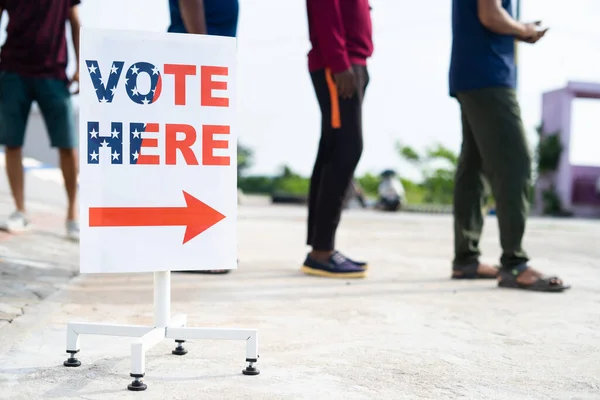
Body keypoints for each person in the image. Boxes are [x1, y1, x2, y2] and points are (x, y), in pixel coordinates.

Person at [449, 0, 569, 291]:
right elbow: (490, 15)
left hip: (473, 72)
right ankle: (514, 265)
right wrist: (524, 29)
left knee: (474, 164)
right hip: (487, 74)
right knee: (515, 161)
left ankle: (466, 260)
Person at [301, 0, 373, 279]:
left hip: (349, 61)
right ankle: (322, 251)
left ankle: (320, 246)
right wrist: (339, 62)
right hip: (340, 65)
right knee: (347, 148)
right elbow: (324, 9)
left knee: (332, 149)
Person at [168, 0, 239, 274]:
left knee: (205, 157)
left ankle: (206, 245)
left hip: (207, 60)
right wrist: (205, 54)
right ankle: (196, 250)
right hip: (195, 60)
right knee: (196, 156)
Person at [0, 0, 81, 240]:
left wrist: (80, 66)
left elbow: (75, 21)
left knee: (68, 145)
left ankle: (72, 216)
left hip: (54, 72)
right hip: (12, 69)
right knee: (12, 143)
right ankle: (20, 211)